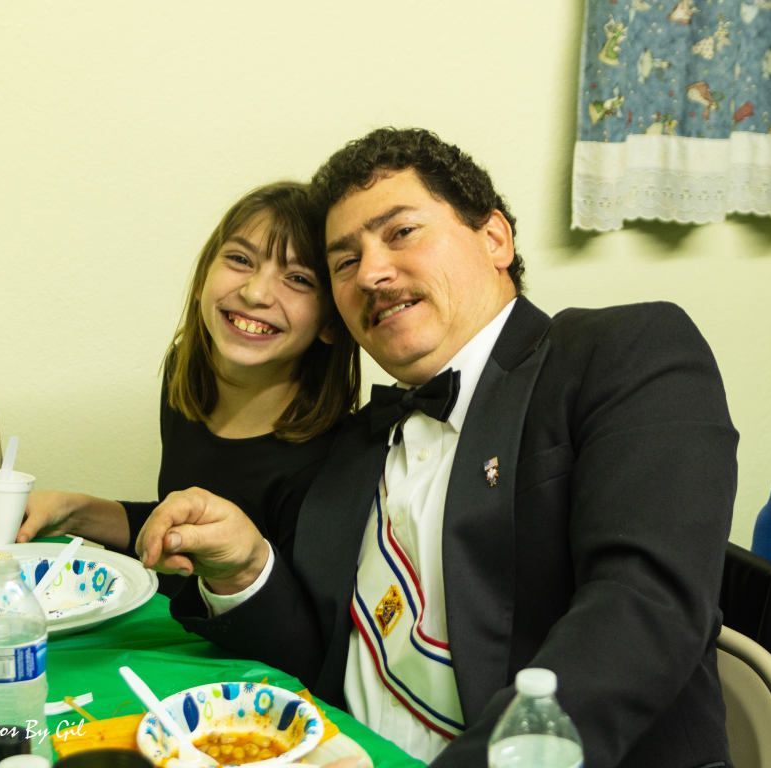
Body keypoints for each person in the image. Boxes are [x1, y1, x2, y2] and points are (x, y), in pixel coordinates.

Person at [136, 129, 738, 767]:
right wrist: (246, 568)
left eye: (400, 233)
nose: (370, 272)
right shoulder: (360, 440)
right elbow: (313, 660)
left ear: (495, 238)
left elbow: (643, 612)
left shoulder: (622, 354)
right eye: (344, 261)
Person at [0, 181, 361, 599]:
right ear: (203, 278)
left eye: (297, 278)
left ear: (331, 321)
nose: (255, 293)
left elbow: (310, 640)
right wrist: (68, 510)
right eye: (240, 259)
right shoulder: (187, 377)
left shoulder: (336, 462)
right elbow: (175, 535)